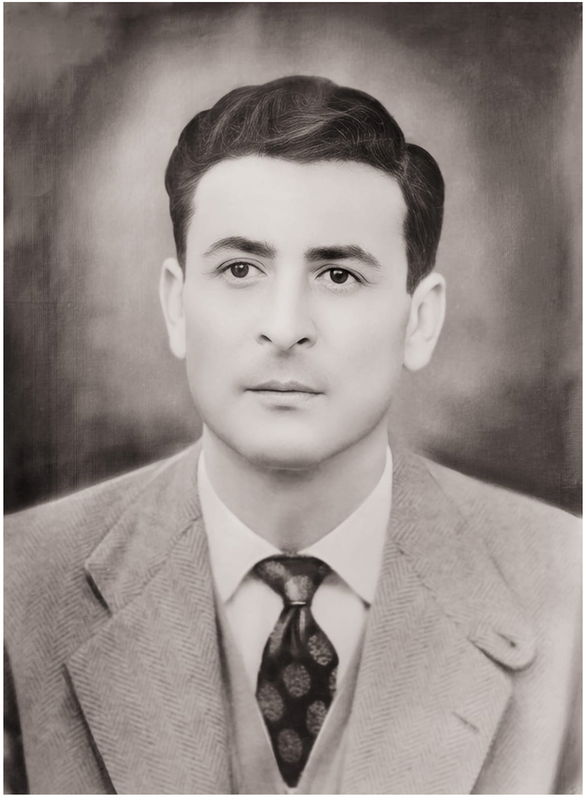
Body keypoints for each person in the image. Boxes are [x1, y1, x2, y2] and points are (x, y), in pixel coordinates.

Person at [4, 76, 580, 795]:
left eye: (338, 274)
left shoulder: (569, 587)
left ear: (420, 320)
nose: (284, 326)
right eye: (240, 269)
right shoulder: (17, 587)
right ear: (177, 306)